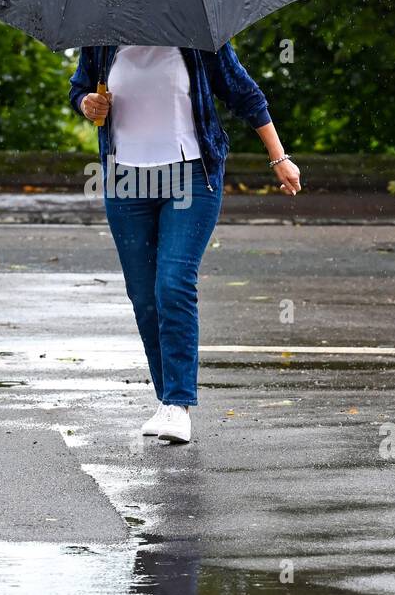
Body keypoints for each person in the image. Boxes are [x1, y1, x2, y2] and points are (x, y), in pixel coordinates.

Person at [70, 44, 300, 443]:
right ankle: (166, 400)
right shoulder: (102, 41)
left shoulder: (197, 37)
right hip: (125, 180)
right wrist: (87, 104)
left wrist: (279, 158)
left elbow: (244, 93)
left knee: (173, 283)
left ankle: (178, 404)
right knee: (143, 294)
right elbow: (79, 89)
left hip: (191, 177)